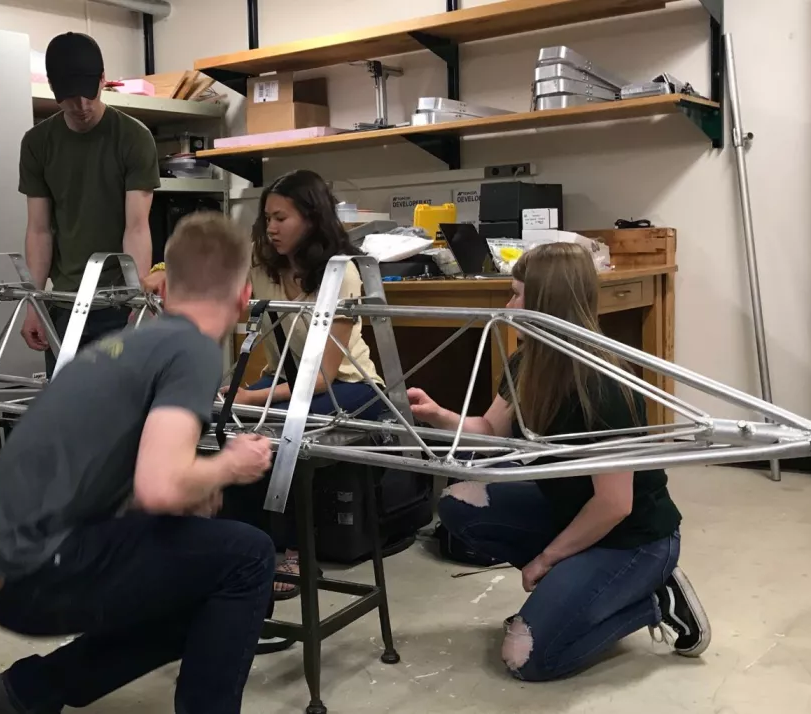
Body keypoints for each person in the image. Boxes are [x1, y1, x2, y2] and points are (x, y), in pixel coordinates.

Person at [0, 213, 275, 714]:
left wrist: (185, 489)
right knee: (250, 557)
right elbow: (160, 487)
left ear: (165, 287)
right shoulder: (191, 349)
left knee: (203, 585)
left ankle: (26, 693)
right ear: (243, 298)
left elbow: (113, 473)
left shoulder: (129, 345)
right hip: (36, 571)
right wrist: (229, 466)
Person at [408, 241, 711, 682]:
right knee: (459, 500)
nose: (509, 305)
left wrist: (545, 560)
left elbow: (615, 505)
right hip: (575, 515)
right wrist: (437, 413)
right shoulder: (529, 361)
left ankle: (653, 600)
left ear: (547, 301)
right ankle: (577, 592)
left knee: (526, 659)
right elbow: (490, 431)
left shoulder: (603, 385)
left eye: (516, 293)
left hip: (633, 539)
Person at [222, 169, 386, 600]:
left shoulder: (340, 273)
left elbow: (320, 379)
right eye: (267, 219)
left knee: (281, 433)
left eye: (281, 218)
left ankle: (288, 548)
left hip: (348, 386)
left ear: (311, 219)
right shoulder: (264, 269)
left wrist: (251, 396)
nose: (271, 228)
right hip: (285, 382)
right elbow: (214, 284)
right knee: (224, 426)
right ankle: (242, 544)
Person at [18, 32, 163, 378]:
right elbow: (39, 230)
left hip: (118, 300)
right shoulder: (38, 143)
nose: (81, 105)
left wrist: (139, 303)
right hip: (66, 303)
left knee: (120, 405)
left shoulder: (133, 137)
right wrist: (33, 303)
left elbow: (137, 226)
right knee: (65, 409)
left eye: (89, 92)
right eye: (69, 96)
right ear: (52, 86)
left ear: (102, 80)